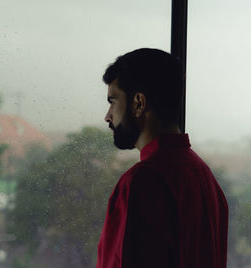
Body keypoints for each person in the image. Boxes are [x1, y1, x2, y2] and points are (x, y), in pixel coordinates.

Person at [96, 48, 228, 268]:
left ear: (138, 103)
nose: (107, 116)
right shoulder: (206, 179)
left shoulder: (141, 182)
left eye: (113, 101)